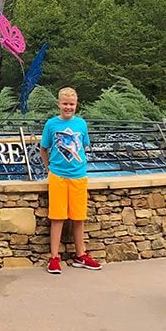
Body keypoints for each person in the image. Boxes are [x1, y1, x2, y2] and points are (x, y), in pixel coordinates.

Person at [39, 87, 102, 274]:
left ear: (76, 105)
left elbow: (83, 146)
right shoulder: (51, 124)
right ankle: (54, 257)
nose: (68, 107)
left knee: (78, 217)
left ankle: (80, 255)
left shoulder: (81, 124)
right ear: (59, 104)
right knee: (57, 217)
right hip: (58, 176)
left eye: (71, 104)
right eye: (65, 104)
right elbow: (44, 148)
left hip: (78, 176)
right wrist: (48, 169)